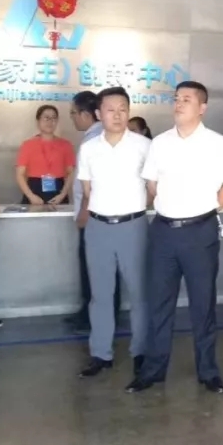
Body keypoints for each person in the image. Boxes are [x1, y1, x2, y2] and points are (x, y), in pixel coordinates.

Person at [127, 81, 223, 394]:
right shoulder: (160, 143)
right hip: (163, 232)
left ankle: (208, 372)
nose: (179, 104)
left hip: (200, 232)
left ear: (202, 108)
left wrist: (203, 210)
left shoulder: (218, 144)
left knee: (203, 305)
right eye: (176, 99)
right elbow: (152, 185)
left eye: (186, 99)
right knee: (159, 304)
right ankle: (153, 371)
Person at [75, 87, 151, 379]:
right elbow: (87, 189)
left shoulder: (144, 146)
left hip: (134, 227)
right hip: (98, 228)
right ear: (99, 114)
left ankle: (141, 352)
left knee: (140, 293)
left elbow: (153, 188)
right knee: (100, 295)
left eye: (123, 109)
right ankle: (100, 353)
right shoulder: (89, 148)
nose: (117, 115)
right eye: (110, 110)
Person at [66, 91, 113, 333]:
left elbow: (93, 182)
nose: (72, 118)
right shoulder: (97, 136)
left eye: (73, 113)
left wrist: (84, 211)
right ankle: (89, 312)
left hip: (93, 217)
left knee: (94, 270)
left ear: (86, 114)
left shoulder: (95, 140)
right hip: (97, 215)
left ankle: (93, 318)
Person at [15, 105, 76, 205]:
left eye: (54, 118)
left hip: (58, 192)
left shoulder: (66, 145)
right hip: (34, 191)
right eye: (46, 118)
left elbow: (71, 173)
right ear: (38, 121)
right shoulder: (27, 145)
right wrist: (31, 196)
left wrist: (62, 195)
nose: (50, 122)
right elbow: (20, 175)